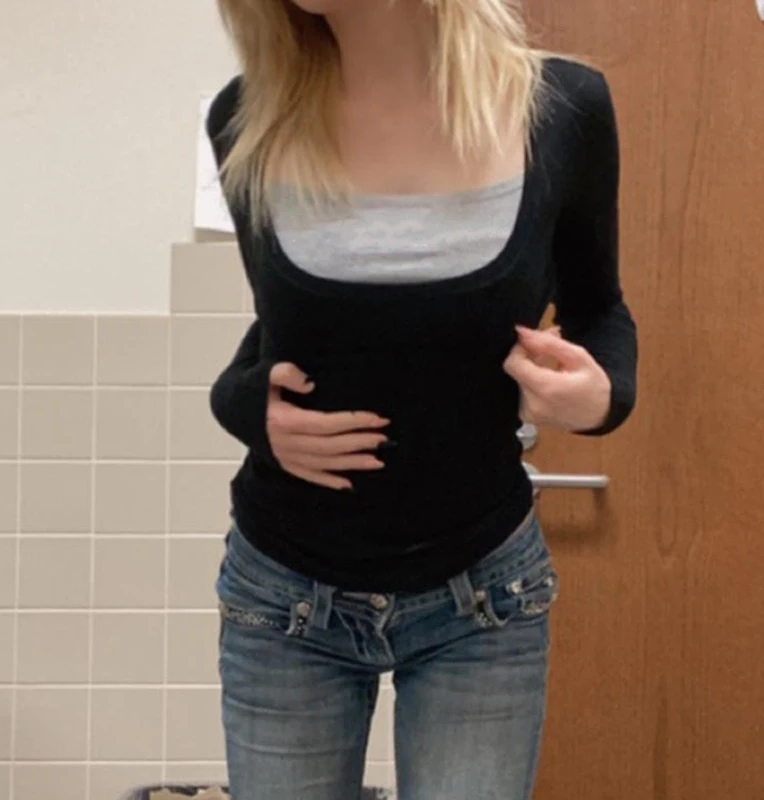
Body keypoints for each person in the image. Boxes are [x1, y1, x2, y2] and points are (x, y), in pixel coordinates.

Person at [206, 1, 638, 798]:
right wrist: (244, 408)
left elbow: (599, 310)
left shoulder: (561, 109)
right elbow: (279, 336)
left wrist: (603, 397)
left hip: (482, 596)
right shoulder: (246, 119)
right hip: (285, 596)